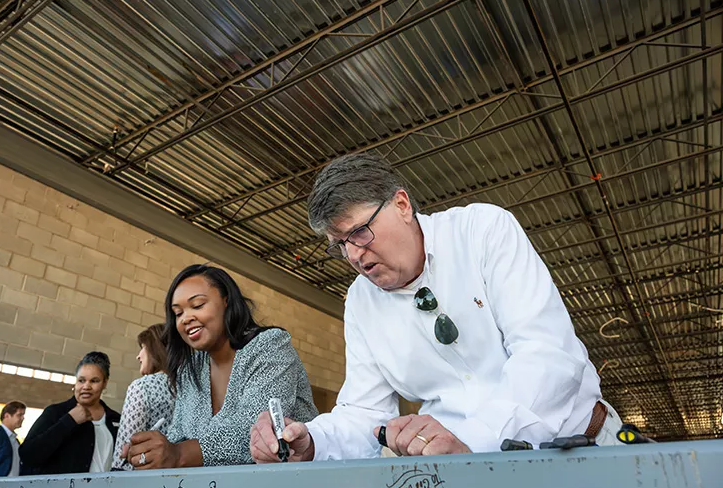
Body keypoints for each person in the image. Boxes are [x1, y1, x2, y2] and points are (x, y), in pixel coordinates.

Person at [250, 153, 623, 463]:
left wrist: (472, 439)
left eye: (360, 232)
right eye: (340, 245)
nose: (354, 255)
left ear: (401, 204)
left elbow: (547, 354)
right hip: (467, 472)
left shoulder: (482, 232)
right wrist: (311, 441)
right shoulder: (361, 303)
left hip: (580, 452)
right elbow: (365, 412)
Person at [123, 264, 318, 469]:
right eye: (178, 313)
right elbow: (177, 434)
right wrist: (150, 452)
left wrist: (179, 454)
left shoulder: (270, 345)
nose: (186, 318)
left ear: (226, 301)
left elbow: (255, 433)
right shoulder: (189, 370)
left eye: (197, 305)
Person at [19, 352, 120, 474]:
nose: (86, 386)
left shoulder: (116, 419)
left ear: (105, 383)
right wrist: (69, 421)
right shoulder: (56, 412)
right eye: (81, 380)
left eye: (94, 381)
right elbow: (28, 455)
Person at [111, 323, 174, 471]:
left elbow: (123, 452)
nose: (138, 356)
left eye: (143, 348)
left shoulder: (142, 386)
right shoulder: (188, 388)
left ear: (155, 349)